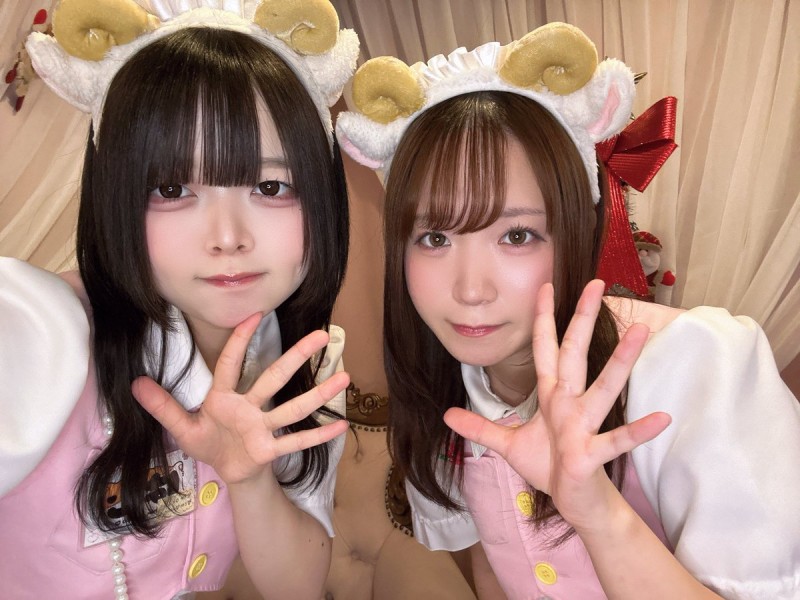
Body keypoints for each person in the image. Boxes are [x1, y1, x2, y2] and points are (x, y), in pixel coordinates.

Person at [336, 22, 800, 600]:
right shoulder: (444, 390)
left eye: (517, 236)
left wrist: (600, 513)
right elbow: (493, 562)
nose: (470, 290)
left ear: (577, 234)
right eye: (434, 238)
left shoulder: (694, 366)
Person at [0, 1, 359, 598]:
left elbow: (296, 586)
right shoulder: (39, 328)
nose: (227, 237)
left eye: (271, 186)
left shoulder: (307, 358)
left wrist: (251, 480)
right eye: (171, 188)